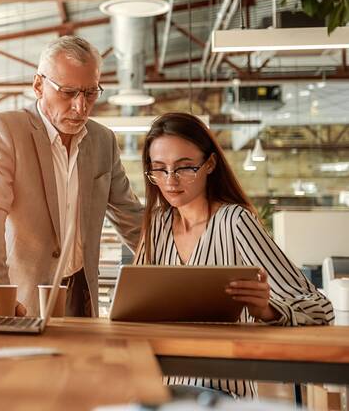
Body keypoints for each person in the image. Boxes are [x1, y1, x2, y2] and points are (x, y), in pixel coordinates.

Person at [138, 112, 333, 398]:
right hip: (163, 391)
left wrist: (268, 310)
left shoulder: (234, 221)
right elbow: (135, 311)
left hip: (220, 392)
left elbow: (319, 309)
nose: (170, 180)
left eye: (185, 167)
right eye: (159, 169)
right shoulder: (157, 225)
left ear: (210, 164)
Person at [0, 35, 144, 317]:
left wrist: (185, 268)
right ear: (38, 85)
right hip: (20, 299)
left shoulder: (103, 140)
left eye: (90, 93)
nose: (80, 107)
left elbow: (131, 217)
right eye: (68, 92)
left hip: (81, 297)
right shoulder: (5, 130)